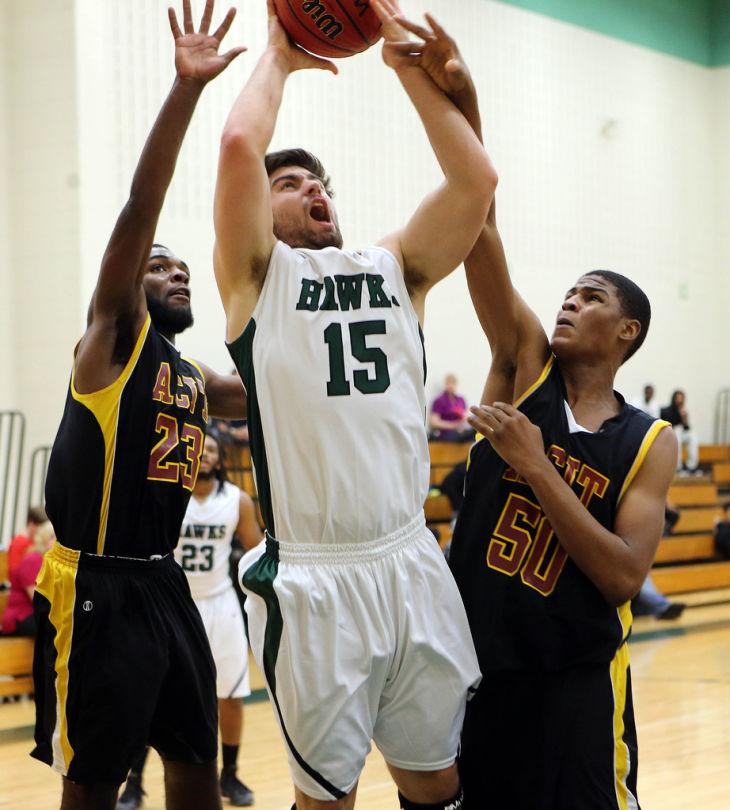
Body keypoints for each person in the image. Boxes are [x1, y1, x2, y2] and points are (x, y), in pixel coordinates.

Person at [212, 1, 497, 808]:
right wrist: (277, 50)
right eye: (290, 183)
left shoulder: (395, 267)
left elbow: (475, 180)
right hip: (316, 579)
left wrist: (411, 73)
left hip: (409, 559)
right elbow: (239, 144)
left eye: (319, 183)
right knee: (327, 799)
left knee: (436, 783)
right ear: (259, 212)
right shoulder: (257, 283)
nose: (312, 190)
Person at [431, 33, 677, 809]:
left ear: (627, 331)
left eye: (592, 296)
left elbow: (621, 576)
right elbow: (481, 231)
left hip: (577, 689)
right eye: (570, 290)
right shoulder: (524, 364)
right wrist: (464, 102)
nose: (571, 300)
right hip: (480, 676)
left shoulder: (649, 441)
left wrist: (535, 465)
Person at [32, 4, 246, 809]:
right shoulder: (112, 340)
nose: (177, 271)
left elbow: (268, 394)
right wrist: (186, 91)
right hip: (96, 587)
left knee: (194, 766)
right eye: (161, 266)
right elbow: (137, 210)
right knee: (92, 785)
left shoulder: (193, 377)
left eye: (185, 268)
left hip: (165, 585)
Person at [117, 434, 262, 809]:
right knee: (153, 695)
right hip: (173, 604)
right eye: (202, 448)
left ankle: (229, 774)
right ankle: (134, 782)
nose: (207, 454)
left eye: (213, 449)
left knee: (230, 694)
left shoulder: (238, 500)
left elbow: (257, 553)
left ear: (220, 457)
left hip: (221, 603)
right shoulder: (169, 496)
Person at [2, 521, 55, 636]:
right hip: (20, 616)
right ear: (44, 541)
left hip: (35, 614)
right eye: (52, 537)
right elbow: (38, 600)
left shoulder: (49, 563)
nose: (57, 542)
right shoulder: (33, 560)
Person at [661, 390, 699, 473]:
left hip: (680, 435)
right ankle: (678, 467)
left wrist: (684, 419)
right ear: (673, 399)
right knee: (678, 430)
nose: (679, 401)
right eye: (677, 399)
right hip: (669, 435)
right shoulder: (666, 410)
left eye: (681, 399)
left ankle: (691, 465)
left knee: (693, 435)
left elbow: (687, 429)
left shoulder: (683, 412)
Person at [6, 506, 47, 578]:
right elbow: (14, 572)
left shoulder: (37, 541)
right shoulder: (18, 542)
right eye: (41, 527)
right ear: (31, 524)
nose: (43, 531)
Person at [429, 374, 473, 441]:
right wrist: (453, 425)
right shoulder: (439, 400)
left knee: (474, 430)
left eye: (453, 383)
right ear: (445, 385)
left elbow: (465, 416)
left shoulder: (461, 400)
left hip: (460, 431)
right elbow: (434, 422)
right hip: (446, 433)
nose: (450, 386)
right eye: (448, 383)